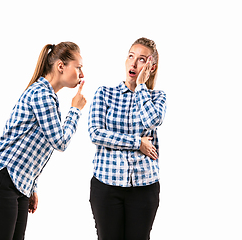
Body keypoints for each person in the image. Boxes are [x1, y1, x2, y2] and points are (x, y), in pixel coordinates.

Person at [0, 41, 86, 240]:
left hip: (16, 184)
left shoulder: (48, 96)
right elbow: (59, 142)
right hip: (0, 179)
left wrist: (31, 186)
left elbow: (31, 147)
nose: (82, 74)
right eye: (78, 67)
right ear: (61, 66)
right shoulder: (41, 93)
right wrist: (75, 110)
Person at [88, 37, 167, 240]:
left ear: (152, 67)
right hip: (106, 185)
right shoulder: (104, 94)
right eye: (131, 56)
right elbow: (96, 133)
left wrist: (141, 87)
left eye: (141, 59)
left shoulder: (157, 97)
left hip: (144, 188)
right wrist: (137, 143)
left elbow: (152, 120)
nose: (133, 63)